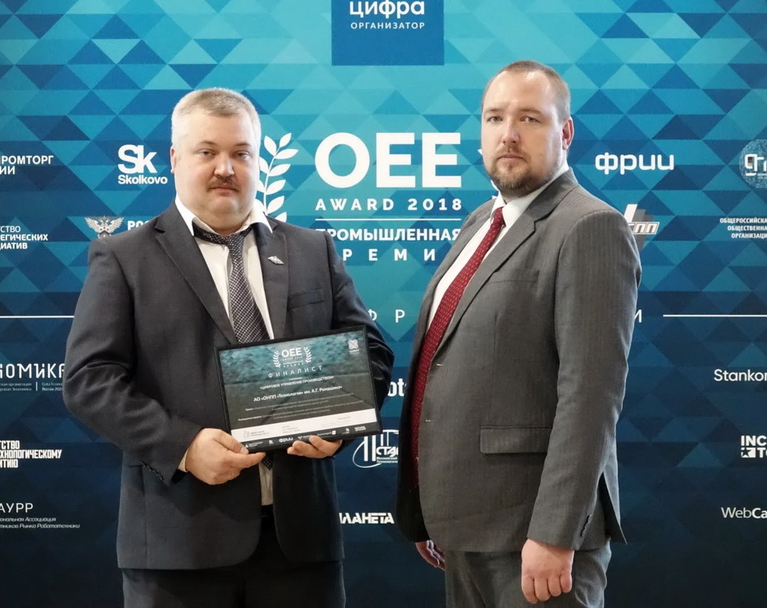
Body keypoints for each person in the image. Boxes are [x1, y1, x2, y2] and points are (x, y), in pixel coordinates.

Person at [63, 87, 393, 608]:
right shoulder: (123, 257)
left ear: (259, 161)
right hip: (178, 546)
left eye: (241, 153)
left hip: (301, 547)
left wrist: (338, 425)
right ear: (175, 158)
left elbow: (370, 352)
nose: (225, 168)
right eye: (207, 152)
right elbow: (89, 379)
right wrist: (183, 446)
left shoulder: (312, 249)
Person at [395, 60, 640, 607]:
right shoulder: (481, 223)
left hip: (533, 540)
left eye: (529, 118)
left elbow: (590, 396)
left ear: (565, 132)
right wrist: (431, 509)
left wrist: (555, 533)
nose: (508, 134)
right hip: (465, 529)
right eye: (494, 118)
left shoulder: (590, 226)